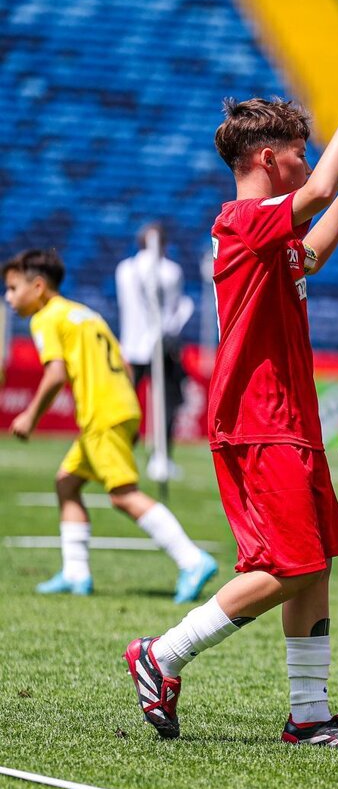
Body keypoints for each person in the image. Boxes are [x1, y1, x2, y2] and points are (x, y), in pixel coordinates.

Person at [124, 62, 338, 748]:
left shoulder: (269, 234)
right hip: (258, 418)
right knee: (290, 564)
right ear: (269, 159)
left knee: (315, 559)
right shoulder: (242, 220)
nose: (308, 161)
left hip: (288, 418)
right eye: (300, 150)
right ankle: (162, 654)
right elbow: (318, 188)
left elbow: (313, 255)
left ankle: (310, 717)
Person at [4, 249, 217, 602]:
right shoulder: (85, 313)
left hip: (102, 414)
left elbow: (55, 374)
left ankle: (192, 560)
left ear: (38, 286)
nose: (9, 298)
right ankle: (75, 573)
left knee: (122, 494)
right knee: (67, 483)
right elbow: (125, 364)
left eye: (13, 288)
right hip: (121, 407)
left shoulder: (45, 318)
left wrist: (30, 416)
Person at [115, 222, 194, 480]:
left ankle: (156, 456)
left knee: (157, 402)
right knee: (146, 403)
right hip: (148, 345)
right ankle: (136, 454)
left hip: (142, 347)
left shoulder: (128, 269)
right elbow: (174, 310)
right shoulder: (165, 271)